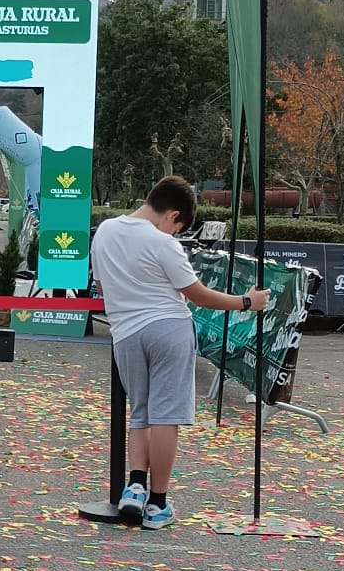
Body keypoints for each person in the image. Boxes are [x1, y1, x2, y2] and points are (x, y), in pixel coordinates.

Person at [89, 175, 269, 529]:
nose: (175, 235)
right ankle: (158, 503)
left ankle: (135, 487)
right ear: (172, 214)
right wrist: (248, 301)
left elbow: (101, 284)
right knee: (165, 416)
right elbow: (198, 295)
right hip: (168, 327)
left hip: (124, 332)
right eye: (178, 228)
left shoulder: (105, 232)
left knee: (139, 412)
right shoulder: (162, 243)